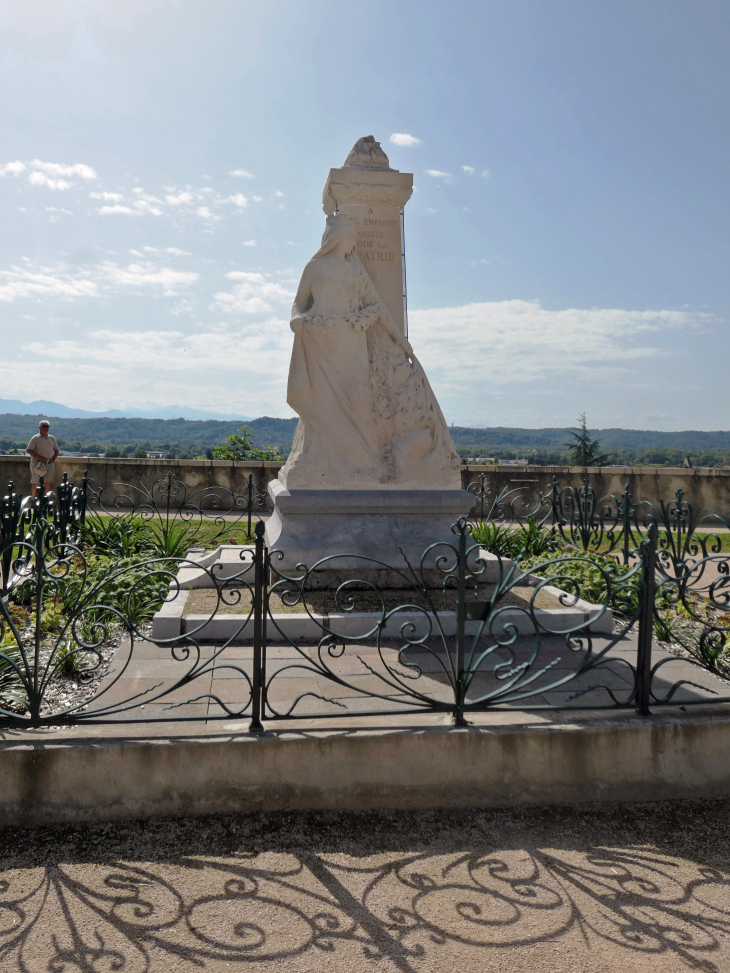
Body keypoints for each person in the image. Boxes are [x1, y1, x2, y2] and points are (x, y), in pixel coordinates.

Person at [279, 212, 461, 490]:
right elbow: (298, 306)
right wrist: (297, 322)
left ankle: (360, 463)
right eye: (351, 234)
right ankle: (320, 460)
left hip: (352, 345)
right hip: (320, 345)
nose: (354, 240)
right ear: (340, 236)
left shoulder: (355, 270)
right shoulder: (314, 267)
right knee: (323, 404)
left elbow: (377, 306)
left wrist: (400, 340)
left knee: (358, 402)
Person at [26, 420, 59, 497]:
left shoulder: (52, 438)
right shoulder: (35, 438)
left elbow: (57, 450)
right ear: (39, 428)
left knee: (48, 483)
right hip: (37, 463)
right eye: (44, 426)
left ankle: (46, 502)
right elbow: (29, 450)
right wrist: (40, 458)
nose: (46, 428)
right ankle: (34, 500)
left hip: (49, 463)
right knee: (35, 483)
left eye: (47, 426)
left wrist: (53, 459)